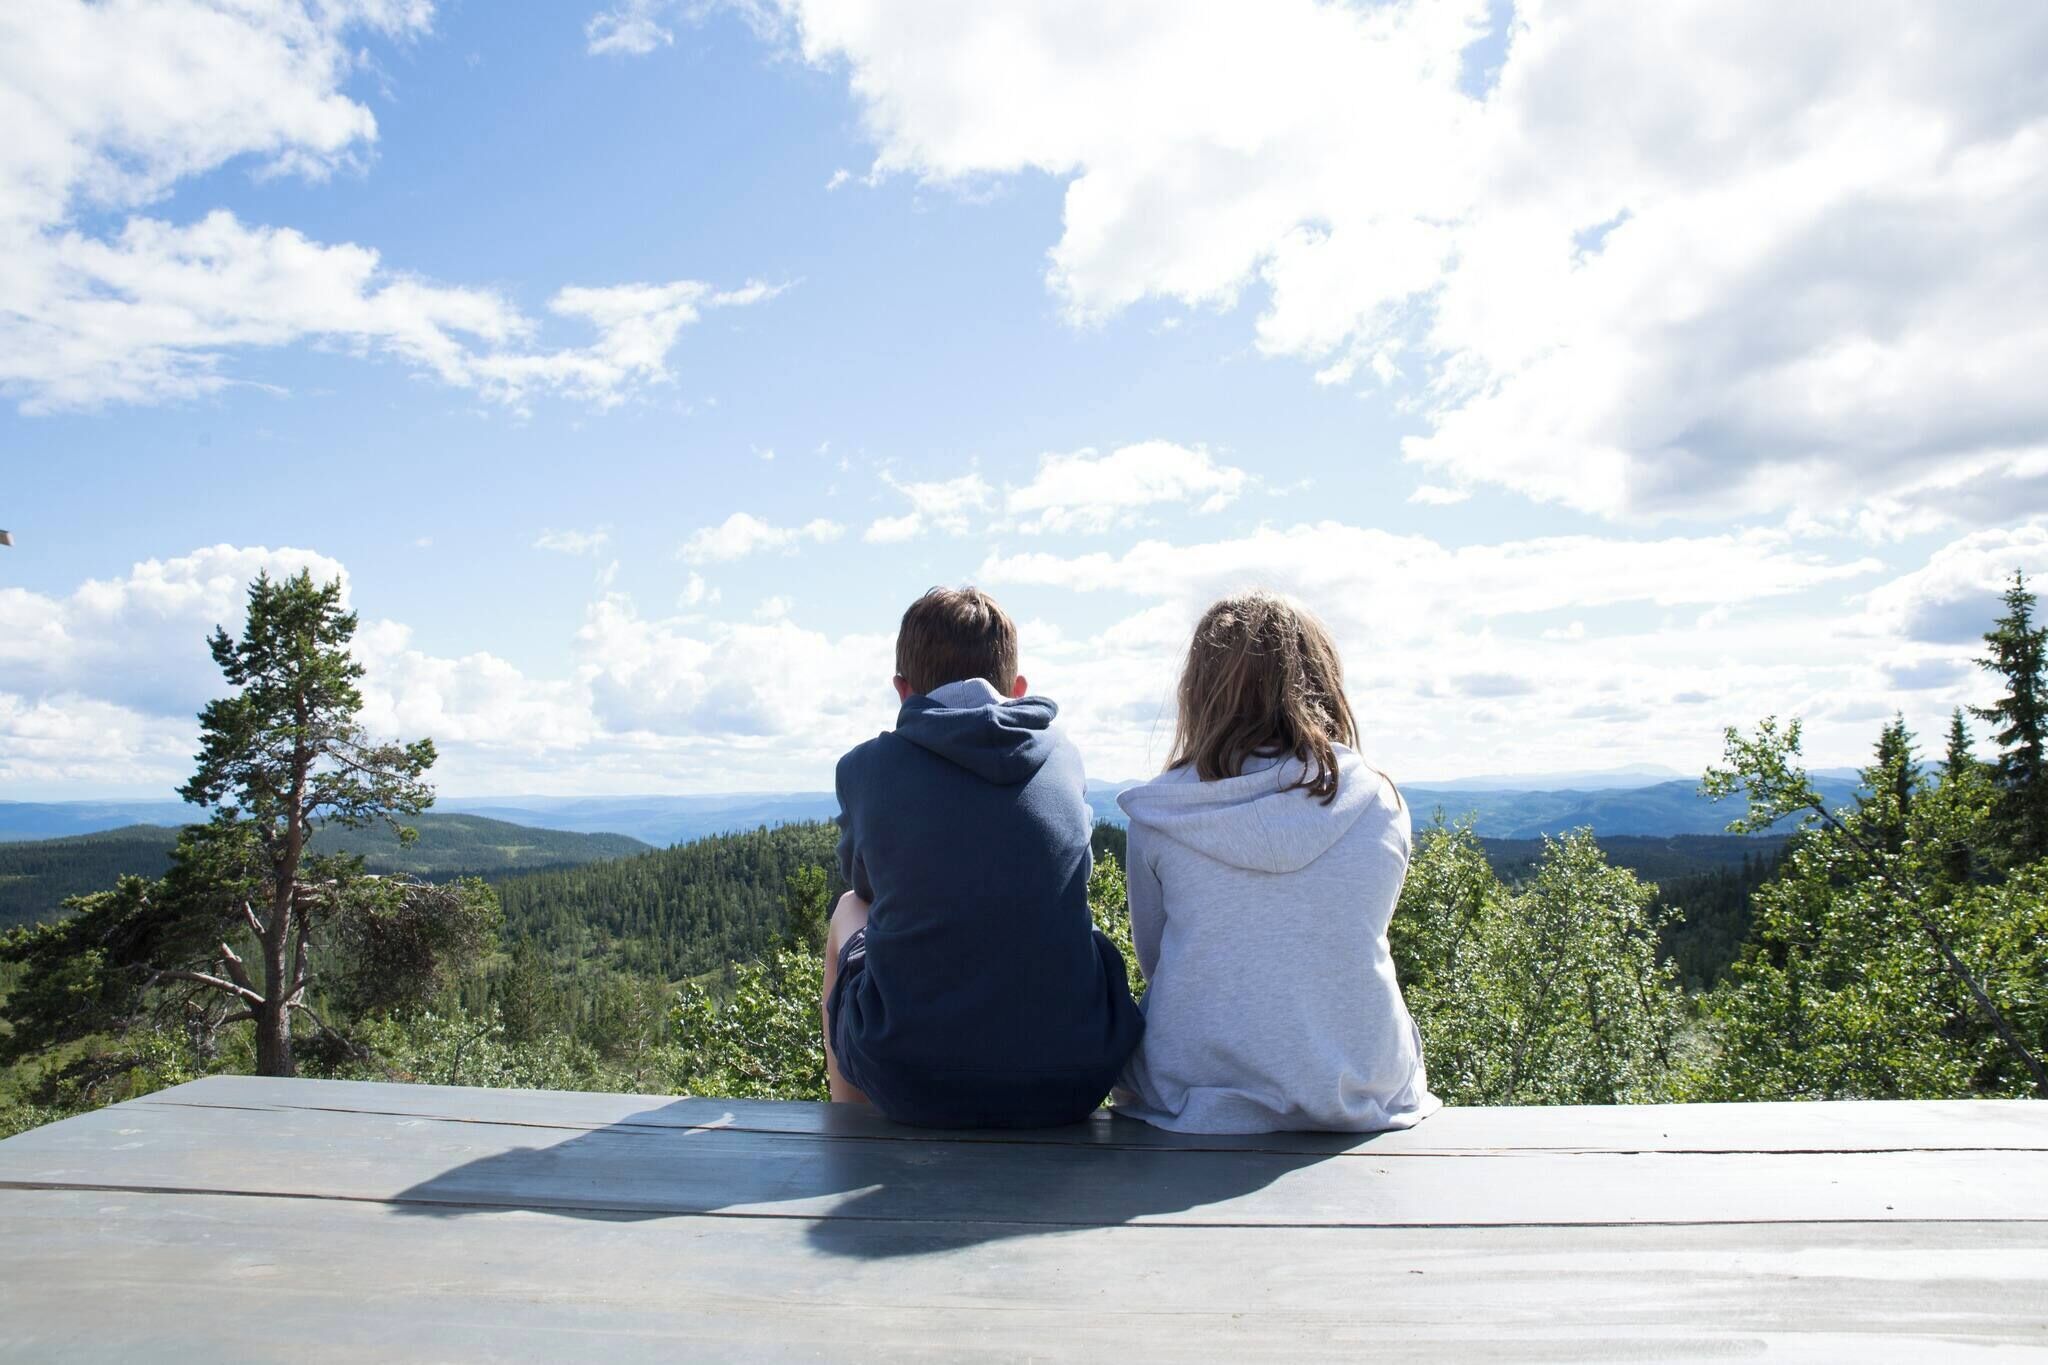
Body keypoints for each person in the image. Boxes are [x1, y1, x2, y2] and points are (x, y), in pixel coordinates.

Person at [1111, 591, 1439, 1134]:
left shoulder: (1163, 811)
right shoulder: (1378, 799)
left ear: (1199, 690)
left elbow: (1157, 960)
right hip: (1358, 1085)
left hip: (1190, 1088)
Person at [823, 585, 1144, 1128]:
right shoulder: (1063, 759)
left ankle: (848, 1128)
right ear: (1017, 689)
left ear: (903, 691)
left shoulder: (867, 769)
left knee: (847, 909)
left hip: (909, 1078)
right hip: (1075, 1075)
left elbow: (868, 888)